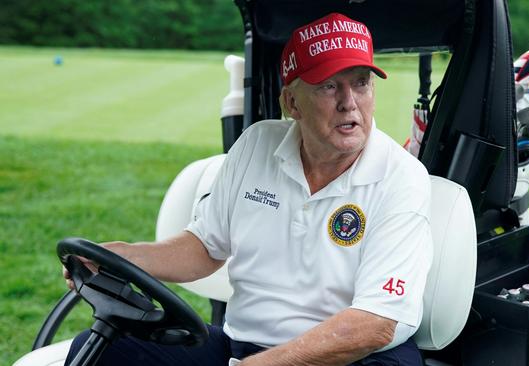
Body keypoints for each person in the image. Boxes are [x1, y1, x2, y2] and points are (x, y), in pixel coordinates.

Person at [64, 12, 433, 366]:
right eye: (328, 86)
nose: (349, 103)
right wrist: (122, 257)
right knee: (99, 349)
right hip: (245, 346)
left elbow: (375, 323)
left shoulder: (400, 177)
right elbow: (205, 247)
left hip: (355, 357)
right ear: (292, 103)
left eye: (361, 83)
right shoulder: (257, 144)